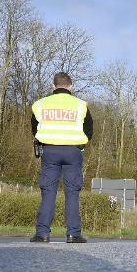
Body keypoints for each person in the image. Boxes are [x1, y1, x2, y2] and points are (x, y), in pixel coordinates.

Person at [30, 71, 92, 243]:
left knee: (48, 192)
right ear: (71, 86)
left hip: (49, 152)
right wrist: (80, 145)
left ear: (53, 86)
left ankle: (42, 234)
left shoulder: (40, 104)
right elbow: (89, 131)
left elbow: (35, 129)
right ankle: (73, 234)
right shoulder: (81, 105)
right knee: (72, 193)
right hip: (73, 152)